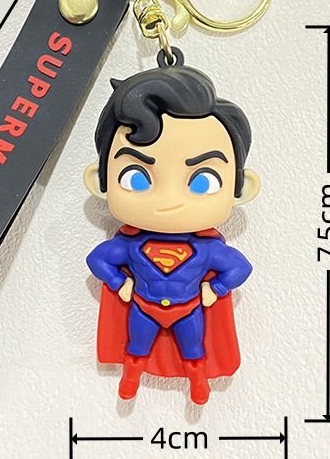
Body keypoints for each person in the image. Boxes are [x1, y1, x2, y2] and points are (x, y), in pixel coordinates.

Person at [83, 62, 261, 404]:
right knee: (136, 347)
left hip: (188, 308)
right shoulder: (129, 245)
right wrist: (120, 283)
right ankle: (130, 380)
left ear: (243, 188)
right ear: (98, 180)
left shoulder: (207, 250)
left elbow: (240, 268)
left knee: (194, 348)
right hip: (145, 306)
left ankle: (198, 383)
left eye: (203, 181)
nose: (169, 201)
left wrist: (216, 288)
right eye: (136, 177)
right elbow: (98, 260)